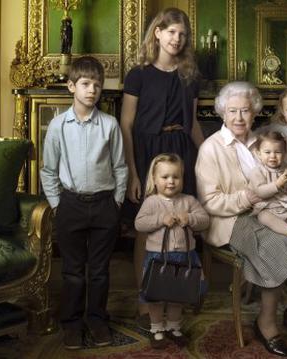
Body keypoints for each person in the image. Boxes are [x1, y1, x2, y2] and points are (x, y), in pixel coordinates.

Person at [195, 81, 287, 357]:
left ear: (255, 112)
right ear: (222, 113)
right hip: (231, 219)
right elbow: (211, 202)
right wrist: (249, 198)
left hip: (271, 210)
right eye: (233, 111)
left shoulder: (264, 141)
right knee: (275, 245)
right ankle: (265, 322)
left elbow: (282, 183)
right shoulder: (211, 148)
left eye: (245, 111)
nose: (239, 117)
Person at [120, 7, 204, 329]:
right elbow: (127, 124)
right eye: (171, 32)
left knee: (184, 225)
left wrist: (208, 155)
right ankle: (147, 299)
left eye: (182, 34)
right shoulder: (138, 74)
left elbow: (194, 123)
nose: (177, 39)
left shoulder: (189, 76)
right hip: (147, 152)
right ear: (157, 32)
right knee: (149, 228)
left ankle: (180, 292)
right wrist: (133, 171)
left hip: (181, 150)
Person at [40, 56, 128, 350]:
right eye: (86, 84)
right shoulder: (57, 127)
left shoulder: (110, 125)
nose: (92, 90)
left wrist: (116, 202)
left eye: (97, 85)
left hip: (104, 205)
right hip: (71, 205)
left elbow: (120, 167)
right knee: (73, 271)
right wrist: (57, 205)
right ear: (71, 86)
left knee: (100, 270)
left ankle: (97, 319)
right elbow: (49, 170)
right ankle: (72, 324)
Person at [134, 153, 209, 349]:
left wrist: (190, 219)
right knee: (156, 296)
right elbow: (139, 224)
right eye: (165, 177)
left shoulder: (189, 201)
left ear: (182, 178)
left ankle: (174, 327)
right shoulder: (151, 202)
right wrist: (160, 219)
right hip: (157, 257)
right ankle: (157, 328)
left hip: (185, 256)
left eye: (176, 177)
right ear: (154, 179)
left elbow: (204, 220)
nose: (171, 181)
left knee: (178, 295)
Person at [249, 131, 287, 250]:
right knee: (263, 216)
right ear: (258, 153)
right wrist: (277, 184)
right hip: (269, 208)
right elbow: (260, 192)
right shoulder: (257, 172)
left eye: (277, 152)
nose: (272, 156)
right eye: (267, 152)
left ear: (284, 153)